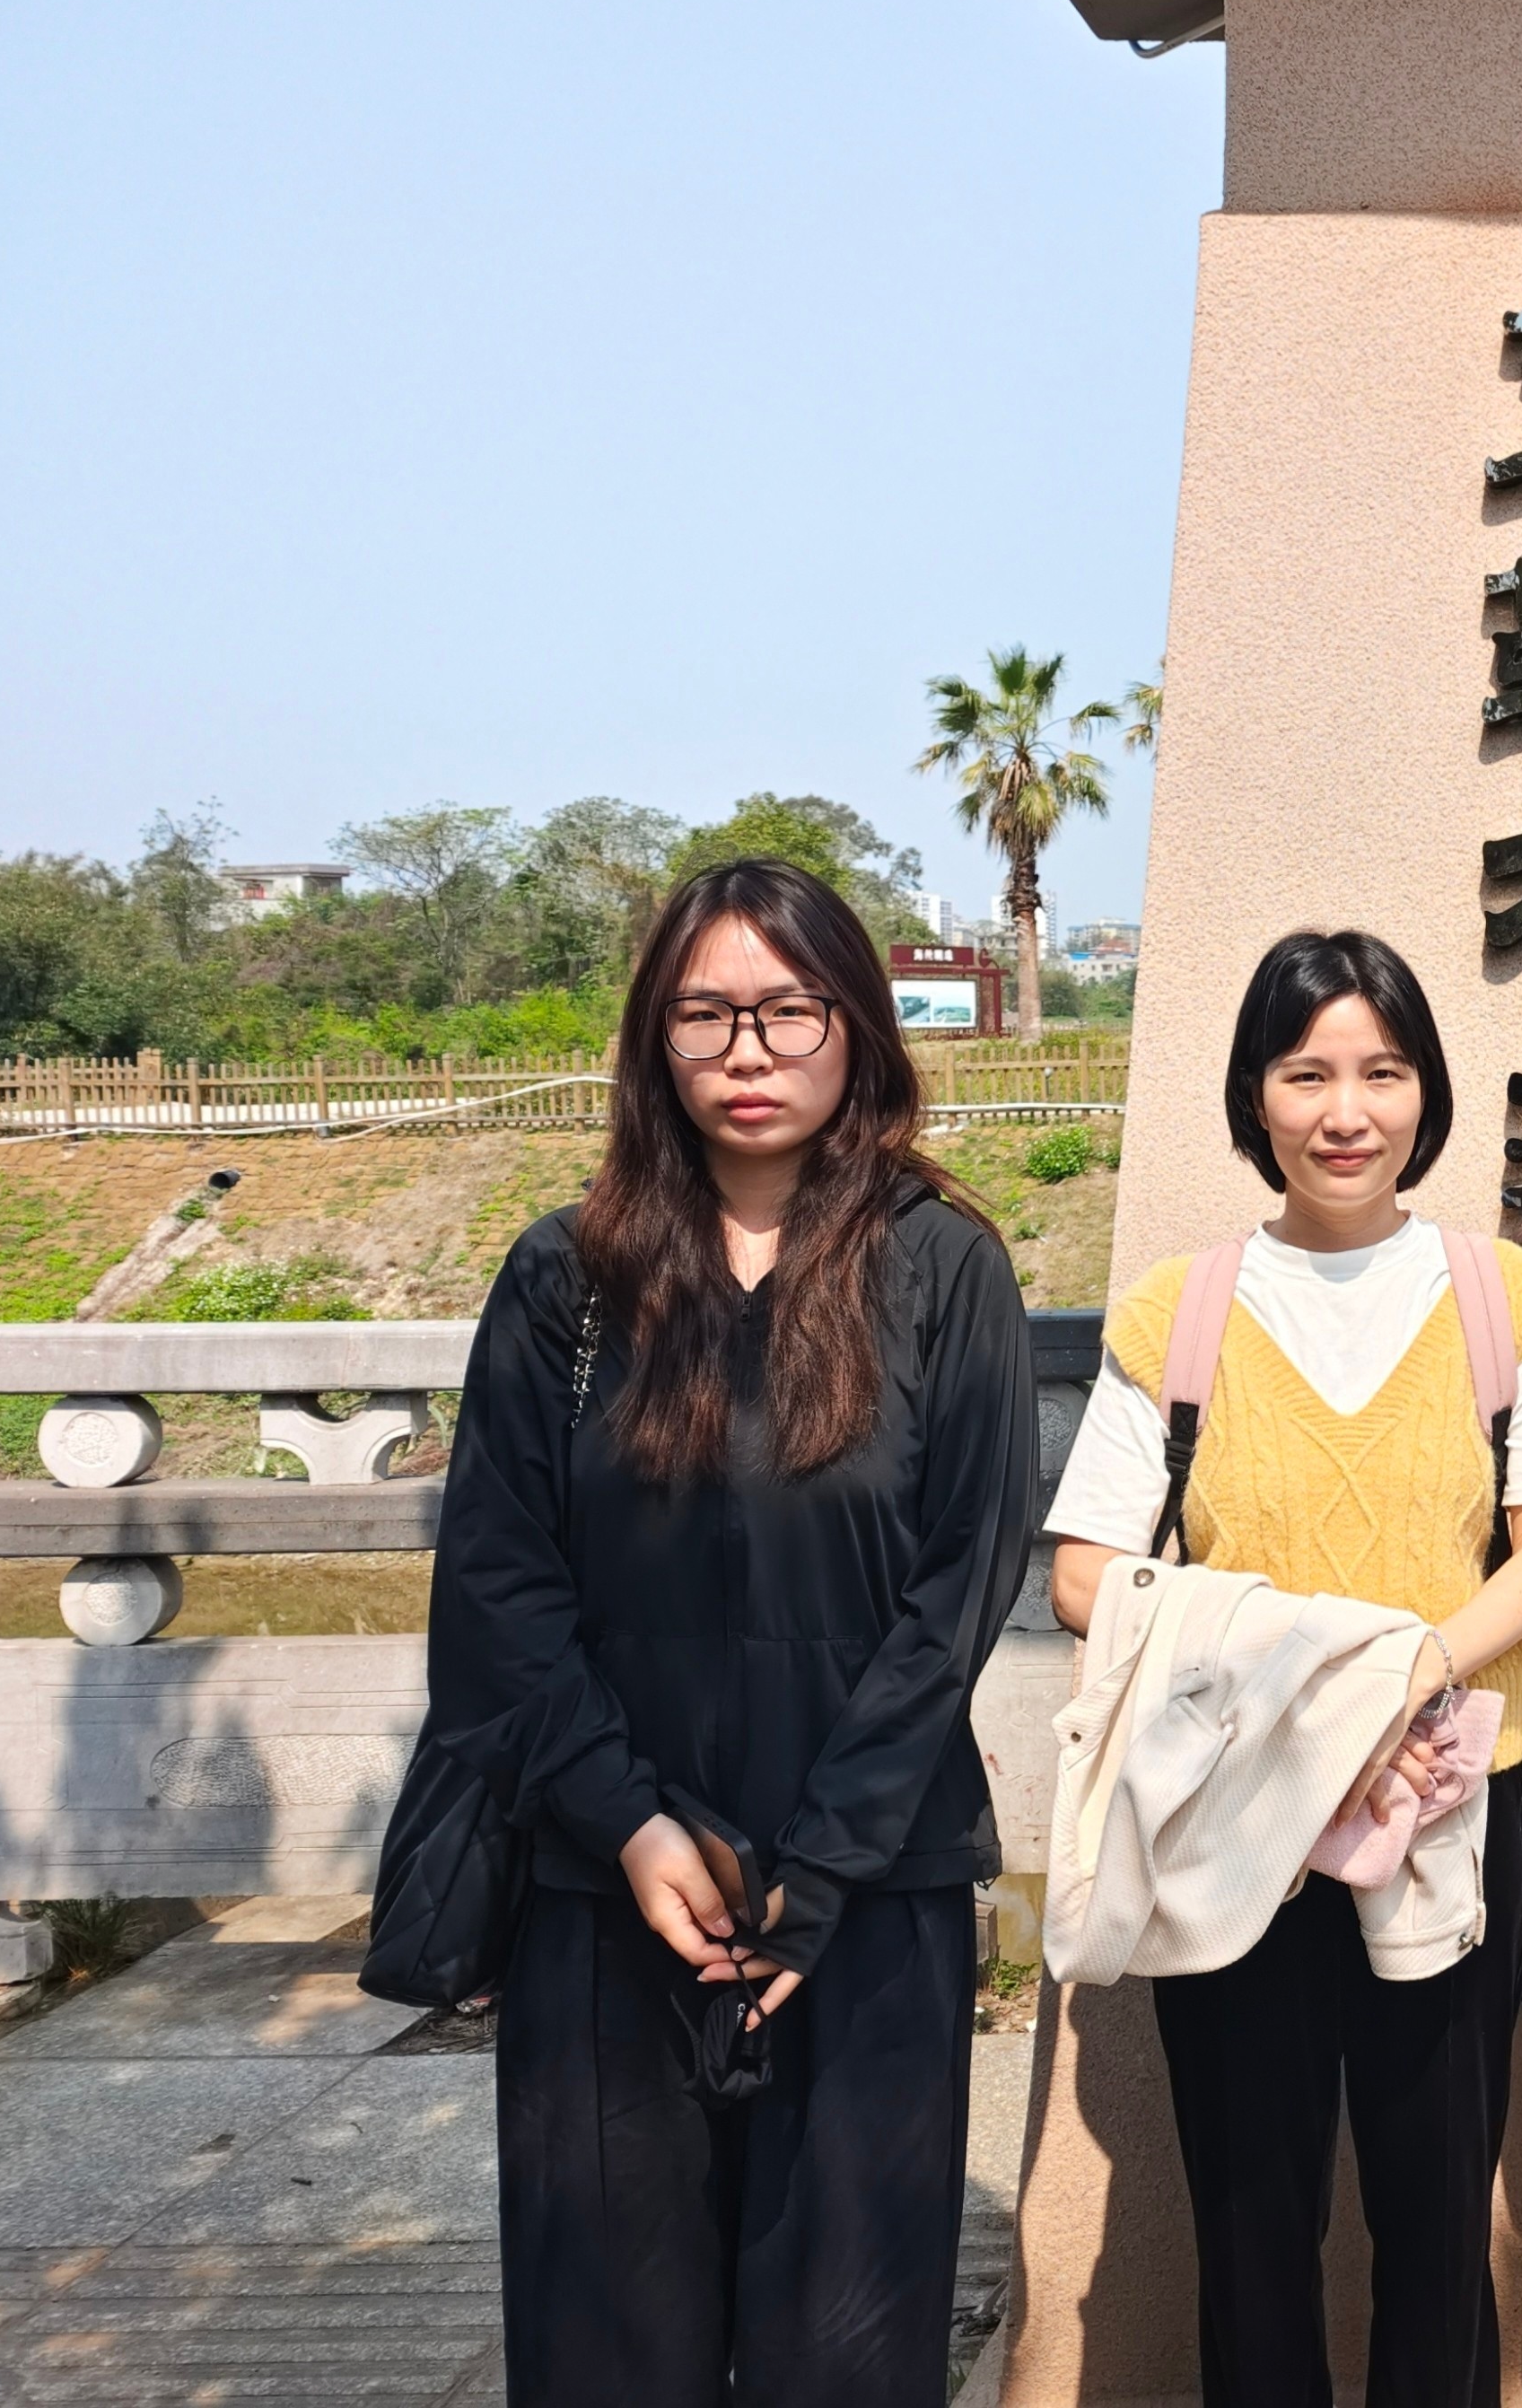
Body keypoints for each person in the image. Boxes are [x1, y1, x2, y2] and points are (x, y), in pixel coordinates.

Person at [424, 856, 1037, 2405]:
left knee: (850, 2353)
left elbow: (960, 1586)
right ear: (656, 1038)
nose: (747, 1052)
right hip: (608, 1897)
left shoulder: (942, 1266)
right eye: (704, 1016)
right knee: (608, 2351)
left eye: (787, 1011)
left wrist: (824, 1862)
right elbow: (499, 1583)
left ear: (857, 1026)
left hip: (868, 1897)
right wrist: (629, 1825)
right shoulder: (566, 1279)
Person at [1042, 930, 1522, 2408]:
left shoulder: (1510, 1302)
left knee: (1440, 2214)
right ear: (1255, 1097)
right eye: (1307, 1075)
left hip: (1450, 1806)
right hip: (1232, 1816)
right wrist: (1306, 1691)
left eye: (1383, 1072)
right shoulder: (1178, 1314)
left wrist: (1403, 1676)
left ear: (1427, 1094)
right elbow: (1084, 1573)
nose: (1347, 1111)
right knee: (1249, 2219)